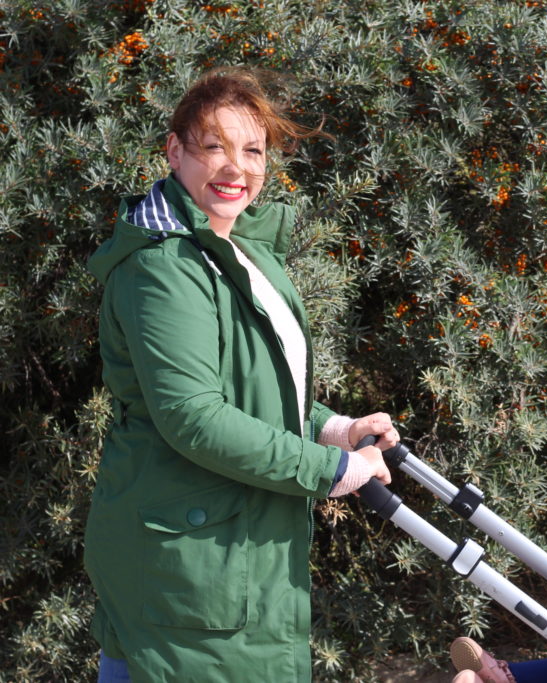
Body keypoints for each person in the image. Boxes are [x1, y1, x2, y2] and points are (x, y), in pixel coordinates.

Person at [84, 67, 399, 682]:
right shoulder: (164, 269)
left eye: (252, 150)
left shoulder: (243, 252)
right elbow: (193, 416)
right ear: (174, 151)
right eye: (214, 148)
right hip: (188, 563)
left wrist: (333, 428)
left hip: (228, 552)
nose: (237, 168)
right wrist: (328, 470)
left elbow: (256, 392)